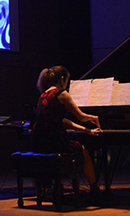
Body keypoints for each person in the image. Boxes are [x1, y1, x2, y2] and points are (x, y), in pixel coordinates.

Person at [30, 65, 102, 199]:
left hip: (40, 142)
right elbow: (80, 116)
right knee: (83, 150)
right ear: (62, 79)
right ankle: (94, 189)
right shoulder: (62, 94)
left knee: (65, 152)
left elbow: (62, 120)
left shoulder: (43, 95)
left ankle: (58, 188)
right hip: (55, 141)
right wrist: (92, 118)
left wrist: (86, 130)